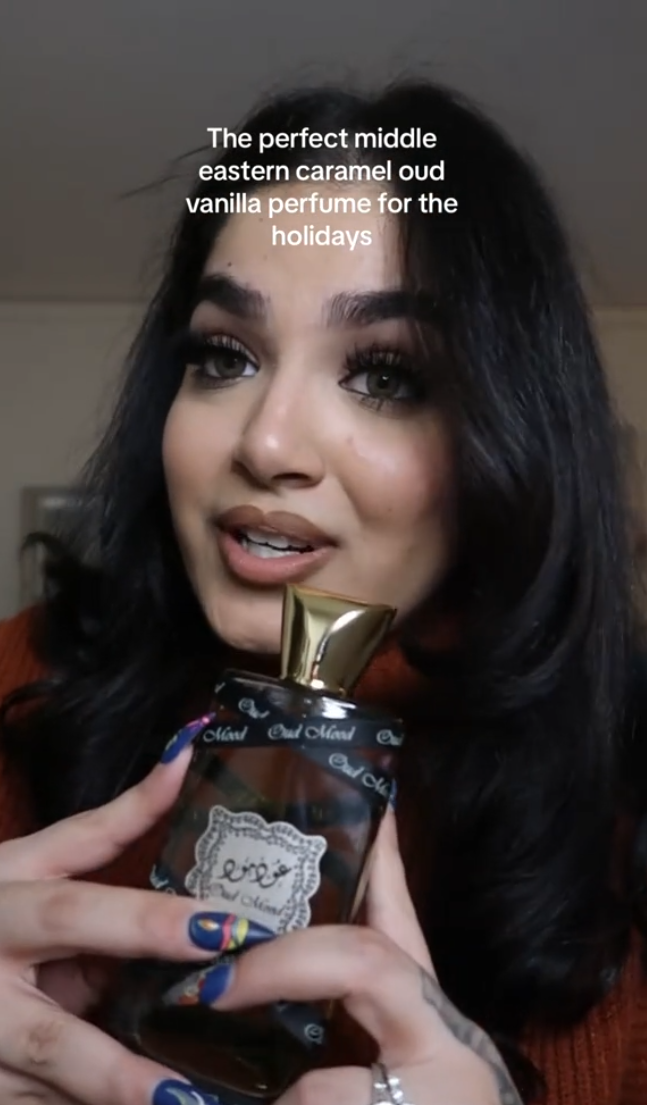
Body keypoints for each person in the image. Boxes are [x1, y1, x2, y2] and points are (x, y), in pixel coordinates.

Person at [0, 78, 645, 1105]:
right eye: (224, 355)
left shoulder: (620, 794)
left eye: (384, 374)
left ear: (508, 436)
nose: (265, 443)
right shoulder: (20, 685)